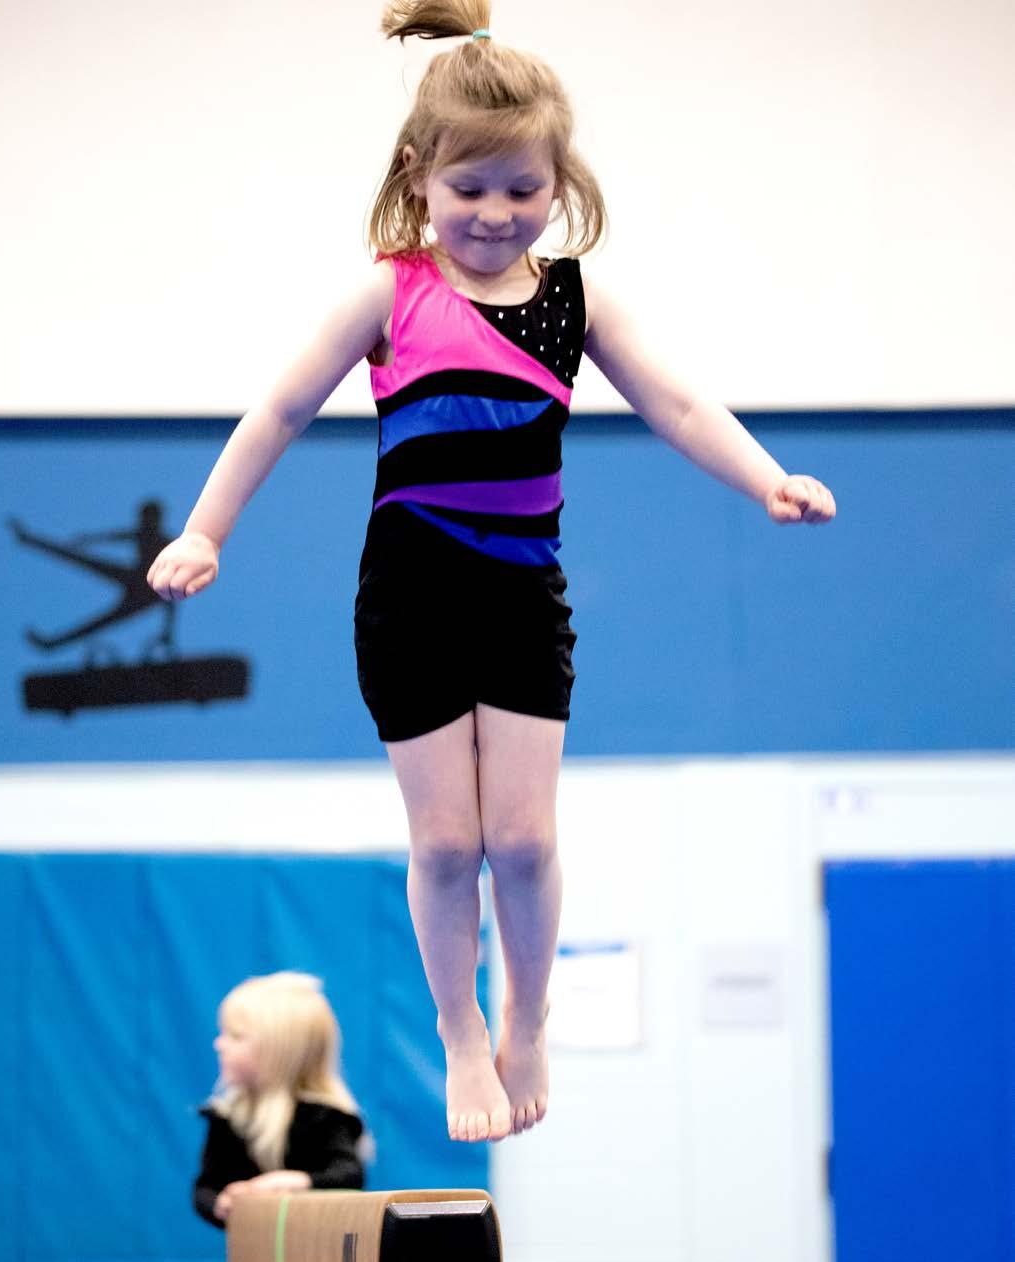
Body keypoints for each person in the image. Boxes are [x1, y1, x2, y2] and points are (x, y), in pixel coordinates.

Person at [150, 0, 836, 1147]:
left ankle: (528, 1010)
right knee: (444, 843)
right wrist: (204, 532)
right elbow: (278, 410)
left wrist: (765, 477)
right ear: (419, 176)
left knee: (521, 839)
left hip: (522, 598)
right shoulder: (390, 292)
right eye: (469, 189)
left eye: (523, 188)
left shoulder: (575, 298)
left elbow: (675, 401)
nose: (495, 212)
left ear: (560, 182)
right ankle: (460, 1026)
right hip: (409, 600)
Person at [192, 972, 365, 1228]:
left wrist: (299, 1182)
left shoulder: (324, 1117)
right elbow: (205, 1186)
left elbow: (349, 1174)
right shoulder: (228, 1117)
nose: (219, 1044)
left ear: (278, 1051)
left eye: (235, 1036)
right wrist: (220, 1203)